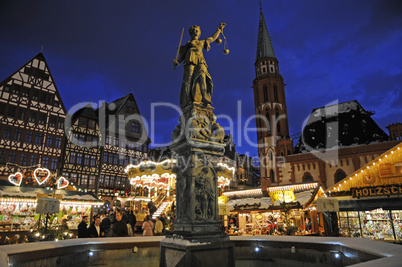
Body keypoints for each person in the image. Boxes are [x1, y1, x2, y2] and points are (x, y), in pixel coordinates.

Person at [173, 23, 226, 109]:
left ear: (200, 32)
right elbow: (182, 55)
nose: (195, 32)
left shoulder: (202, 42)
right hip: (190, 60)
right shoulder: (189, 43)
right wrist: (178, 61)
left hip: (200, 60)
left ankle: (204, 95)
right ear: (191, 33)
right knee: (188, 80)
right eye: (193, 31)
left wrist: (219, 29)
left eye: (197, 31)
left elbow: (213, 38)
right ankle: (187, 100)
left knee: (203, 75)